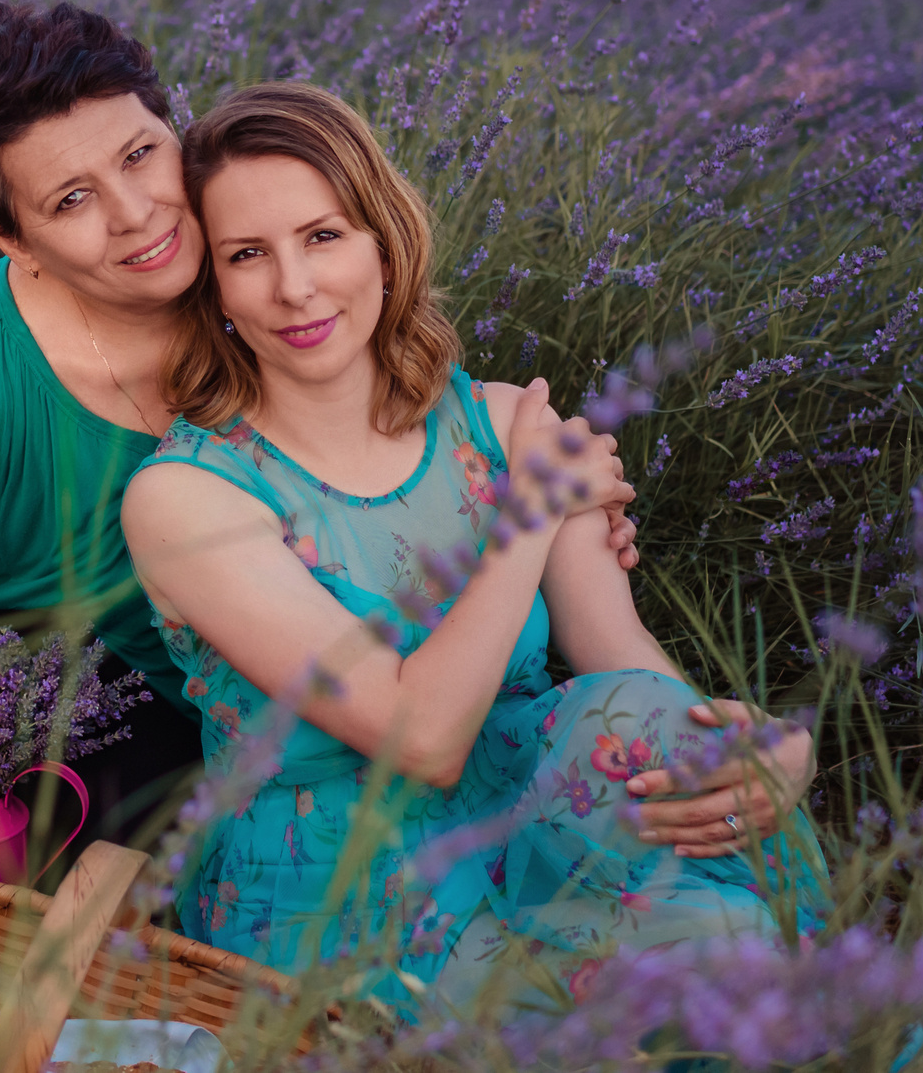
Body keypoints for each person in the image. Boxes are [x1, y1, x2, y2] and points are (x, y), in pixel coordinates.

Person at [0, 3, 645, 860]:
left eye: (140, 153)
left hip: (269, 631)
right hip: (48, 640)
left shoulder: (258, 265)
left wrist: (562, 504)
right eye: (71, 200)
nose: (137, 213)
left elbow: (412, 431)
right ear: (9, 235)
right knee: (161, 834)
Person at [120, 82, 826, 1014]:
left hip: (533, 820)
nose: (294, 286)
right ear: (213, 287)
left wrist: (769, 755)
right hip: (342, 899)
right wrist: (530, 514)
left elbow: (629, 672)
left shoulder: (502, 425)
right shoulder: (187, 497)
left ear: (385, 239)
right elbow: (423, 740)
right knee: (660, 989)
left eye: (324, 235)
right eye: (248, 254)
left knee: (720, 917)